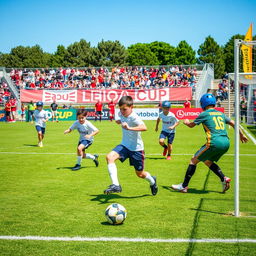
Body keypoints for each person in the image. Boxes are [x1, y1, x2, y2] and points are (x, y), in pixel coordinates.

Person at [171, 94, 248, 193]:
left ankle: (184, 186)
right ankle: (223, 178)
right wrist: (241, 135)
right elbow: (233, 122)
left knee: (193, 160)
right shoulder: (220, 114)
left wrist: (186, 122)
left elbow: (191, 125)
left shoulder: (204, 114)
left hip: (214, 142)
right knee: (207, 161)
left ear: (203, 104)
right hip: (226, 143)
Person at [104, 96, 158, 195]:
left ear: (131, 107)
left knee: (140, 174)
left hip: (136, 149)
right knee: (109, 157)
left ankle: (152, 181)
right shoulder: (121, 113)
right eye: (120, 109)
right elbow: (122, 118)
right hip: (124, 145)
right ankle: (116, 185)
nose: (122, 111)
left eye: (125, 109)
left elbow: (144, 127)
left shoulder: (134, 117)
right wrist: (119, 121)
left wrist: (129, 128)